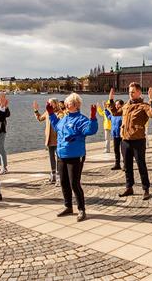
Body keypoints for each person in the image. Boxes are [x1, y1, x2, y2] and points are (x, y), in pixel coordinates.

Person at [48, 93, 98, 221]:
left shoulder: (81, 119)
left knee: (74, 183)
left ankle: (81, 210)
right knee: (64, 182)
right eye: (65, 102)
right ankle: (68, 206)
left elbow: (90, 131)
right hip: (61, 155)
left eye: (68, 103)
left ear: (75, 105)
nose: (65, 104)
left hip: (75, 156)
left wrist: (93, 118)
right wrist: (51, 114)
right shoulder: (64, 118)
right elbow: (56, 126)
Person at [108, 83, 152, 200]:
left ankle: (146, 189)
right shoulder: (126, 106)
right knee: (127, 166)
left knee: (141, 165)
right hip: (125, 140)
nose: (130, 94)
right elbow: (115, 112)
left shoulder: (144, 106)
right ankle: (129, 187)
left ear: (139, 93)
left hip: (138, 141)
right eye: (129, 92)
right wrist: (111, 100)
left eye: (133, 92)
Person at [33, 98, 64, 185]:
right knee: (51, 158)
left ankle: (59, 177)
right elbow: (39, 118)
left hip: (57, 139)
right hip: (49, 139)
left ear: (55, 104)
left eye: (50, 103)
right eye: (48, 103)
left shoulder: (60, 113)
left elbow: (61, 123)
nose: (49, 105)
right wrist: (36, 110)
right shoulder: (47, 112)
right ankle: (53, 175)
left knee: (59, 158)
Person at [105, 99, 124, 170]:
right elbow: (109, 117)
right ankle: (117, 164)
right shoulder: (114, 114)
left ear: (122, 105)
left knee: (123, 150)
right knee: (116, 150)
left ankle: (125, 164)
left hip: (122, 135)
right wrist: (106, 110)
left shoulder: (122, 114)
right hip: (115, 134)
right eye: (115, 104)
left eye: (118, 104)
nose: (116, 105)